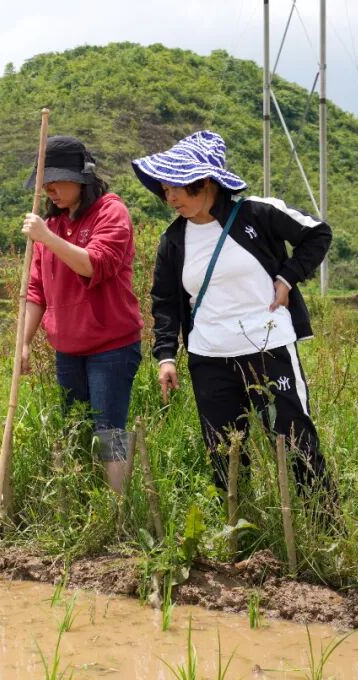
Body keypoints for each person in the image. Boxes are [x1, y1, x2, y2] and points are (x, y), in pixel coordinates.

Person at [131, 130, 334, 512]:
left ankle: (323, 527)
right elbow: (165, 303)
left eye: (177, 188)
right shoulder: (173, 240)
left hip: (268, 347)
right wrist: (165, 356)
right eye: (164, 189)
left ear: (205, 182)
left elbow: (318, 234)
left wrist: (288, 276)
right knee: (224, 450)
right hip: (209, 358)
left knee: (295, 440)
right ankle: (240, 533)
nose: (169, 197)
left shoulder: (257, 213)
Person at [19, 135, 143, 492]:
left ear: (82, 177)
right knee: (76, 426)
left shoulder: (110, 212)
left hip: (112, 346)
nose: (49, 190)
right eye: (45, 184)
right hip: (68, 349)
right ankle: (86, 500)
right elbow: (36, 290)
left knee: (109, 429)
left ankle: (118, 508)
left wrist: (46, 238)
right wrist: (24, 342)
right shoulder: (53, 225)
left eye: (56, 180)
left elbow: (96, 265)